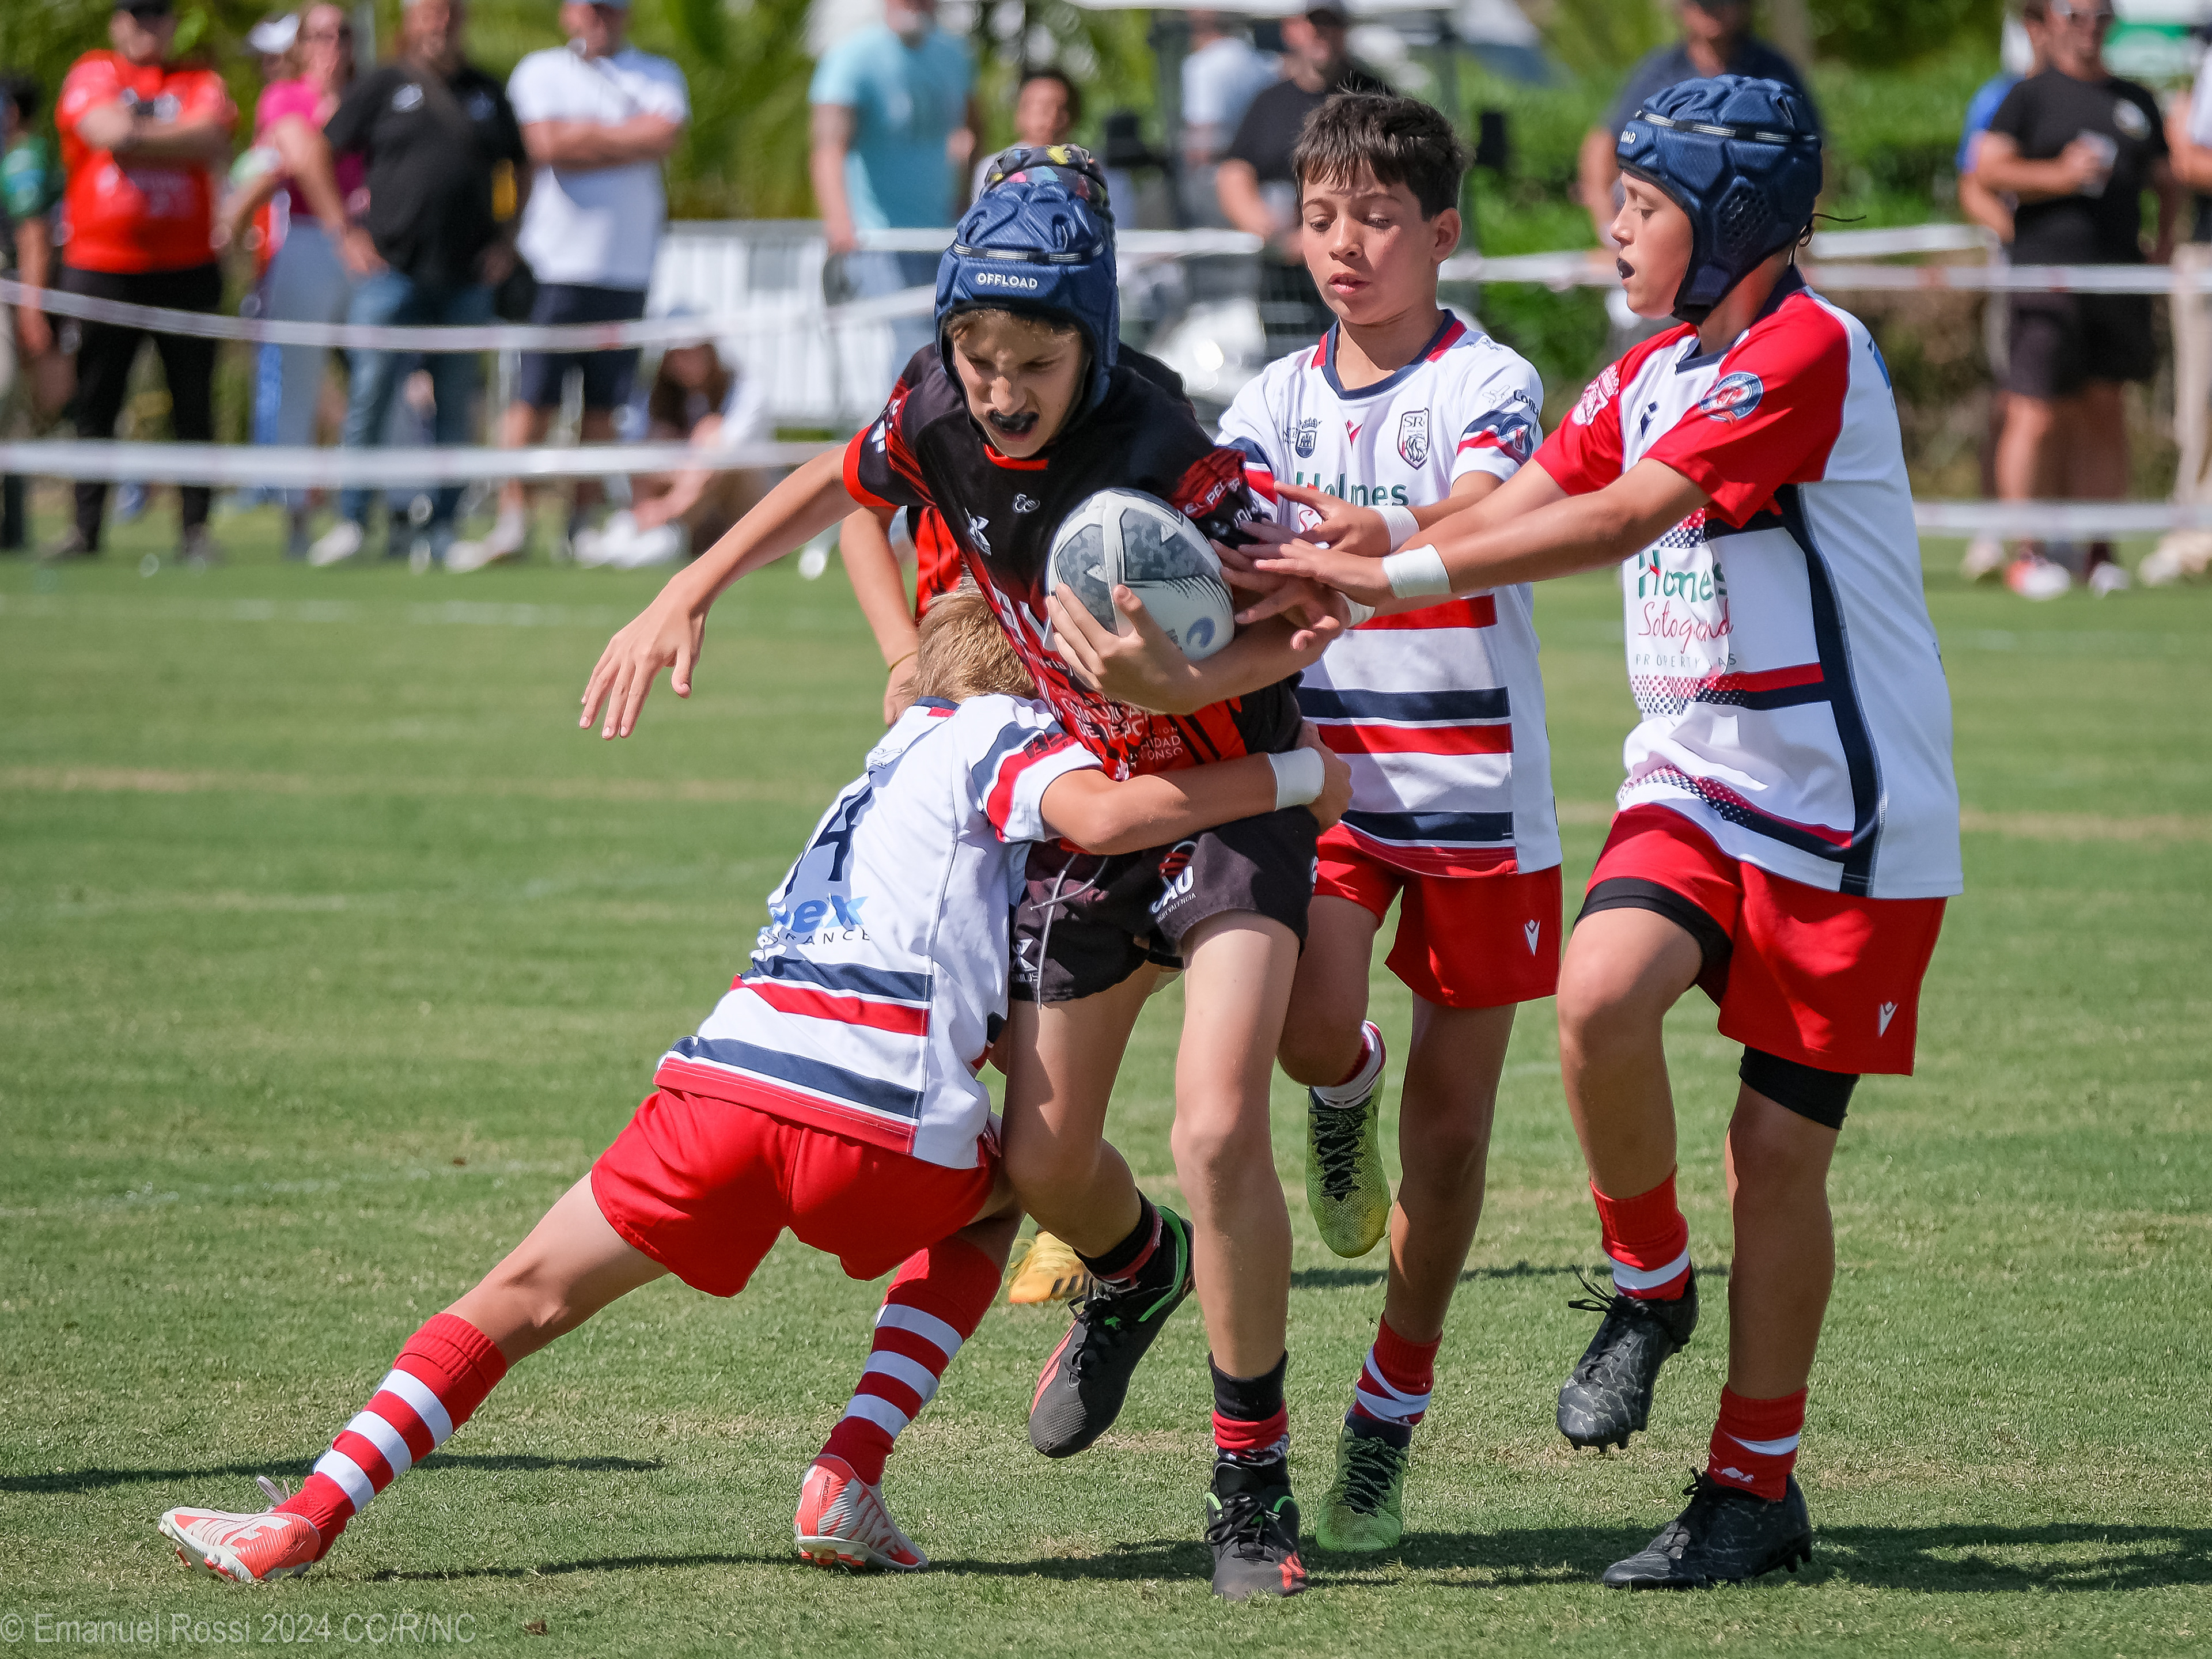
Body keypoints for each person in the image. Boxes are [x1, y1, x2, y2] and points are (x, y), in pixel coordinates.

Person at [154, 590, 1347, 1585]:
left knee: (519, 1297)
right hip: (875, 1124)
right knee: (1008, 1194)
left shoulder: (889, 752)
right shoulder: (1002, 732)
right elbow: (1109, 812)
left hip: (722, 1087)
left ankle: (303, 1517)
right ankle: (848, 1472)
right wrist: (1293, 773)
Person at [581, 150, 1355, 1601]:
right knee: (1043, 1165)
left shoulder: (1166, 450)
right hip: (1082, 803)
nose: (999, 390)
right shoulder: (936, 405)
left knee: (1212, 1124)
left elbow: (1310, 620)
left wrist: (1182, 675)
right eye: (977, 356)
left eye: (1033, 364)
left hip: (1227, 797)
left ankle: (1250, 1478)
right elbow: (836, 483)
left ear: (1094, 343)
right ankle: (1137, 1271)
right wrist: (690, 588)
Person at [1252, 75, 1961, 1590]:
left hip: (1846, 823)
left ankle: (1752, 1489)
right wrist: (1394, 533)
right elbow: (1531, 495)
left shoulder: (1807, 352)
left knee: (1775, 1159)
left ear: (1732, 220)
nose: (1613, 229)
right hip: (1695, 785)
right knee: (1595, 1002)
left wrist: (1388, 580)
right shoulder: (1647, 371)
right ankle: (1650, 1281)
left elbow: (1625, 519)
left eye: (1640, 206)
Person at [1209, 93, 1560, 1555]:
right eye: (1319, 218)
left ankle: (1386, 1412)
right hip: (1335, 781)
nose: (1343, 246)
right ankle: (1339, 1091)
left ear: (1441, 232)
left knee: (1456, 1140)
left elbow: (1489, 507)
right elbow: (1224, 525)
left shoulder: (1492, 376)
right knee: (1308, 1034)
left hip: (1478, 797)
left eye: (1374, 218)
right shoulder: (1270, 398)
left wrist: (1387, 538)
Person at [448, 0, 689, 572]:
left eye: (611, 9)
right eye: (591, 8)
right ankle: (513, 520)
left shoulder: (658, 73)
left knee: (604, 407)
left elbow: (663, 135)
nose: (601, 18)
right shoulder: (540, 71)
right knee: (533, 400)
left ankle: (580, 524)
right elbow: (545, 145)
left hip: (626, 268)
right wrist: (626, 137)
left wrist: (585, 138)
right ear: (569, 14)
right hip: (553, 266)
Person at [292, 0, 530, 567]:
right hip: (391, 273)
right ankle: (352, 522)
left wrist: (508, 239)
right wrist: (343, 233)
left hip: (466, 277)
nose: (439, 22)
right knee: (370, 395)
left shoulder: (487, 91)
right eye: (429, 12)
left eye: (448, 12)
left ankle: (443, 528)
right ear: (411, 19)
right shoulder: (382, 85)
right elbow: (317, 151)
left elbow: (521, 166)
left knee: (455, 407)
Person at [1977, 0, 2181, 599]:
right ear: (2053, 21)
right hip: (2044, 277)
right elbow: (1987, 171)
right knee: (2034, 412)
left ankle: (2100, 552)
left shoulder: (2135, 99)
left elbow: (2167, 181)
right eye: (2076, 14)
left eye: (2101, 16)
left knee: (2105, 408)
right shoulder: (2028, 96)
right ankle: (2028, 553)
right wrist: (2058, 177)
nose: (2089, 26)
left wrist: (2165, 244)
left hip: (2117, 280)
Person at [46, 0, 237, 565]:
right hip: (101, 267)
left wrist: (136, 135)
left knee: (194, 405)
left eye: (158, 13)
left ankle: (196, 530)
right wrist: (173, 137)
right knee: (95, 401)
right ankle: (85, 529)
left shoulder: (200, 80)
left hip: (188, 266)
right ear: (118, 23)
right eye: (137, 14)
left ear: (173, 23)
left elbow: (213, 136)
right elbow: (105, 130)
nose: (149, 24)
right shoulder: (92, 71)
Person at [221, 3, 365, 558]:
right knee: (298, 387)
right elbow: (299, 157)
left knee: (387, 378)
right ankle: (296, 517)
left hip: (370, 248)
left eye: (342, 35)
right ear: (303, 46)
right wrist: (340, 229)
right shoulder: (283, 98)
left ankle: (403, 508)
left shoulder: (369, 95)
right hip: (307, 243)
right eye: (321, 37)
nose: (333, 47)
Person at [809, 0, 979, 365]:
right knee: (916, 347)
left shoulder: (954, 54)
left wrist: (965, 200)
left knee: (948, 344)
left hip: (941, 237)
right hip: (877, 239)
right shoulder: (852, 56)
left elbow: (973, 127)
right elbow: (828, 149)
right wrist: (840, 226)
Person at [1576, 0, 1817, 257]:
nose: (1714, 8)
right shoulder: (1659, 73)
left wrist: (1798, 236)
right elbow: (1601, 147)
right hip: (1670, 242)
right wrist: (1610, 233)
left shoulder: (1774, 72)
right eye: (1703, 2)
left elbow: (1814, 153)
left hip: (1753, 238)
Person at [1217, 7, 1389, 344]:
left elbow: (1394, 184)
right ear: (1291, 30)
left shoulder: (1376, 99)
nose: (1322, 34)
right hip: (1284, 280)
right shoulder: (1269, 102)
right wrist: (1267, 228)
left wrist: (1321, 235)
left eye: (1331, 23)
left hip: (1358, 271)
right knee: (1289, 361)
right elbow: (1235, 172)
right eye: (1314, 24)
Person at [1955, 7, 2047, 584]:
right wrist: (2024, 242)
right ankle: (1993, 530)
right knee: (2009, 396)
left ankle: (2059, 529)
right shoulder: (1999, 96)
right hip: (2019, 272)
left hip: (2072, 273)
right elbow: (1974, 186)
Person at [573, 320, 775, 569]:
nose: (685, 360)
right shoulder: (657, 394)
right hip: (694, 497)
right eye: (677, 352)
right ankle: (644, 528)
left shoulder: (745, 388)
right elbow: (635, 447)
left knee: (711, 437)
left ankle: (654, 532)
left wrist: (668, 505)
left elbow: (726, 455)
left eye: (693, 350)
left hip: (744, 505)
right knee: (659, 441)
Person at [2, 72, 69, 552]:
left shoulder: (24, 157)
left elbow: (33, 235)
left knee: (8, 396)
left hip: (12, 290)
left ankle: (14, 526)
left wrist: (31, 309)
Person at [1180, 12, 1277, 227]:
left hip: (1219, 185)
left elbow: (1203, 142)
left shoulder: (1202, 66)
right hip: (1261, 185)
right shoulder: (1260, 61)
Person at [968, 69, 1077, 204]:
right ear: (1020, 113)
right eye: (1043, 108)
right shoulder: (996, 167)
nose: (1053, 117)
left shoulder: (1081, 170)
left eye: (1062, 108)